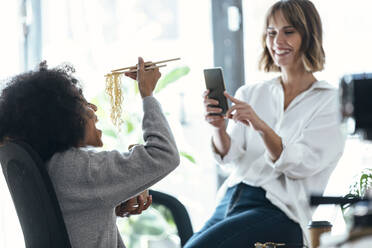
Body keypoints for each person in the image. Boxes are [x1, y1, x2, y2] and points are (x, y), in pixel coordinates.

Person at [185, 0, 345, 247]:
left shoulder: (331, 102)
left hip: (280, 211)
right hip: (231, 197)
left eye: (288, 32)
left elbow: (298, 165)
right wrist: (219, 128)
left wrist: (260, 125)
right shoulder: (251, 92)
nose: (277, 41)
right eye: (271, 33)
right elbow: (232, 156)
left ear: (309, 35)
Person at [0, 57, 180, 248]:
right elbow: (164, 153)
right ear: (59, 117)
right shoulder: (79, 168)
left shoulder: (52, 164)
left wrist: (111, 208)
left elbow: (75, 220)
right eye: (80, 102)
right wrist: (148, 94)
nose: (92, 108)